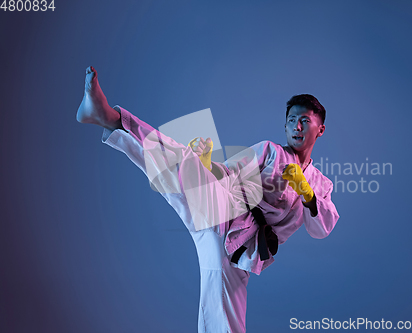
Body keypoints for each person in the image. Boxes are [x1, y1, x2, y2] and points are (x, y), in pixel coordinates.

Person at [76, 66, 340, 333]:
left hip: (243, 251)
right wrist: (204, 163)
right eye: (291, 120)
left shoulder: (320, 184)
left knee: (225, 316)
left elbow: (321, 228)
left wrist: (306, 192)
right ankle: (109, 117)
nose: (296, 126)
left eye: (305, 121)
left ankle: (109, 119)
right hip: (225, 212)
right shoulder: (270, 151)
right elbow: (227, 173)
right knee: (183, 162)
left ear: (320, 129)